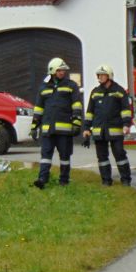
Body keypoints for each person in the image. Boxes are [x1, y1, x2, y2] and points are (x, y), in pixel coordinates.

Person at [30, 58, 83, 188]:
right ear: (52, 71)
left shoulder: (71, 85)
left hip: (64, 130)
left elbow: (76, 104)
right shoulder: (44, 87)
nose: (62, 72)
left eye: (63, 70)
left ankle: (64, 180)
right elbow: (39, 108)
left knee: (65, 156)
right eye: (59, 70)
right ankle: (42, 179)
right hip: (48, 129)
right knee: (45, 155)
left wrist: (76, 122)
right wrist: (34, 126)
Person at [83, 65, 133, 186]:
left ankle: (125, 179)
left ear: (109, 76)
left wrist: (126, 125)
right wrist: (86, 128)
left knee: (120, 154)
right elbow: (90, 112)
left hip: (115, 130)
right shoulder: (95, 92)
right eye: (98, 75)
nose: (99, 77)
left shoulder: (119, 91)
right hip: (99, 131)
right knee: (102, 157)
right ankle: (106, 180)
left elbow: (125, 110)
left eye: (102, 75)